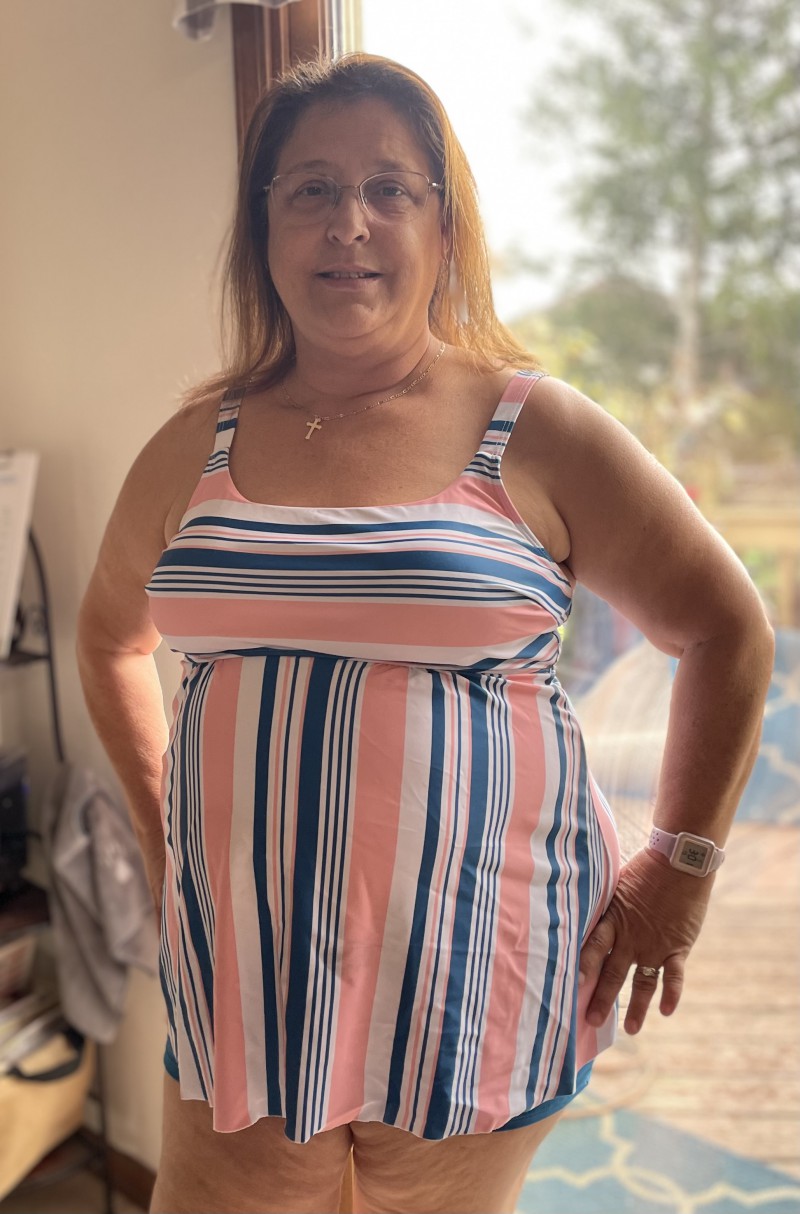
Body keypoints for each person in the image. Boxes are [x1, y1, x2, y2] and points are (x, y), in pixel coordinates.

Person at [76, 52, 774, 1214]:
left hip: (477, 975)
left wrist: (681, 864)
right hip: (245, 975)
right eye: (309, 188)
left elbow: (725, 628)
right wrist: (162, 839)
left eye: (388, 188)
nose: (347, 221)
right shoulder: (193, 444)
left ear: (443, 229)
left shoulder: (532, 428)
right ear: (263, 230)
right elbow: (108, 639)